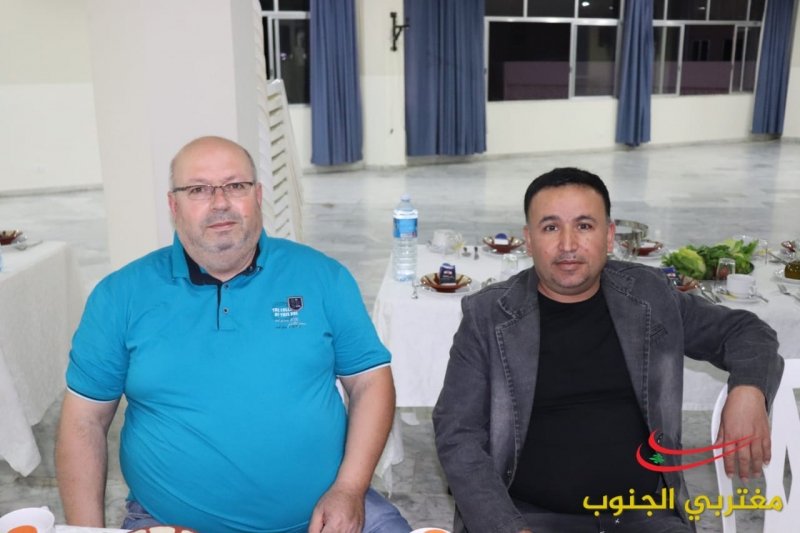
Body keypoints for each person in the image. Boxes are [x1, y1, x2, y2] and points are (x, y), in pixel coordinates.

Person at [56, 136, 412, 533]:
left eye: (235, 185)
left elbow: (370, 381)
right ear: (173, 206)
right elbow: (84, 421)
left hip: (326, 514)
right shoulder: (120, 295)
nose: (220, 202)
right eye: (198, 189)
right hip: (170, 521)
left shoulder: (323, 277)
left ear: (258, 196)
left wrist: (349, 488)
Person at [432, 167, 785, 533]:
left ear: (609, 235)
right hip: (528, 519)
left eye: (584, 226)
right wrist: (507, 528)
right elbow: (457, 433)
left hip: (645, 518)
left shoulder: (649, 297)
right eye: (550, 227)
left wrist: (749, 390)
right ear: (529, 239)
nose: (568, 244)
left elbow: (747, 332)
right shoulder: (489, 315)